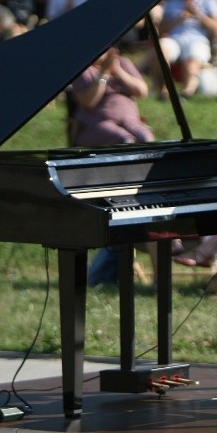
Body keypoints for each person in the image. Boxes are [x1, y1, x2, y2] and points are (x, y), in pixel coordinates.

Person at [68, 47, 155, 286]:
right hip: (97, 125)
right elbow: (89, 100)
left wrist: (119, 71)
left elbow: (142, 90)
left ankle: (149, 182)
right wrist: (104, 73)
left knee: (147, 140)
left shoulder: (123, 63)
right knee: (125, 142)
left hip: (130, 120)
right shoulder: (83, 70)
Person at [153, 0, 217, 98]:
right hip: (174, 39)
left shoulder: (209, 1)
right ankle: (164, 90)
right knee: (162, 49)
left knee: (192, 59)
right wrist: (178, 19)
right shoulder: (171, 2)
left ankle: (187, 92)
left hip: (198, 39)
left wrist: (197, 14)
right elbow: (161, 29)